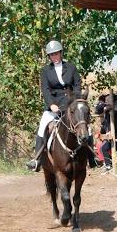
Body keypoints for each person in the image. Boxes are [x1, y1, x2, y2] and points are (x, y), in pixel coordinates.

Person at [27, 40, 82, 172]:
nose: (54, 57)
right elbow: (45, 89)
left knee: (84, 125)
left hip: (71, 105)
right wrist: (51, 104)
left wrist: (75, 101)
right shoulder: (45, 71)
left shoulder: (71, 67)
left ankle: (92, 157)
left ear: (61, 53)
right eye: (51, 55)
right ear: (49, 57)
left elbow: (77, 85)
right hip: (54, 106)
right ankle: (37, 159)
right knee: (42, 127)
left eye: (56, 54)